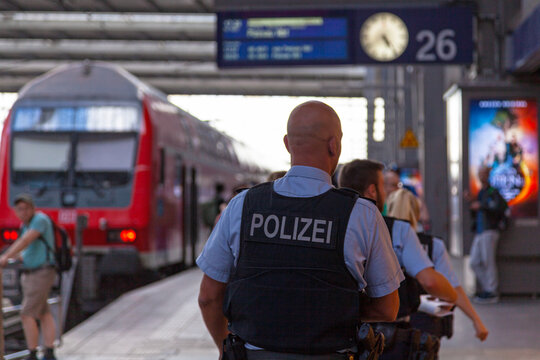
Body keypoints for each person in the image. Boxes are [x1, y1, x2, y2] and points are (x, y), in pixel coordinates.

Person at [197, 101, 404, 359]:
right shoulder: (362, 214)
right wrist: (331, 308)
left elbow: (208, 297)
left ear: (287, 143)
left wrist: (224, 348)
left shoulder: (242, 206)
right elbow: (388, 308)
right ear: (334, 145)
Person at [339, 159, 457, 360]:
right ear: (372, 191)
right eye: (383, 186)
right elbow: (429, 280)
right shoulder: (399, 229)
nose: (387, 193)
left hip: (342, 336)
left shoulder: (334, 222)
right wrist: (452, 296)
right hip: (391, 338)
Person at [386, 188, 489, 342]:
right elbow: (453, 287)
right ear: (417, 212)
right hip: (426, 328)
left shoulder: (379, 241)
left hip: (387, 328)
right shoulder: (433, 245)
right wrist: (476, 320)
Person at [0, 194, 57, 360]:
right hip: (34, 271)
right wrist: (17, 256)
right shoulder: (26, 224)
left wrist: (6, 256)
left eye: (25, 208)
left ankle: (32, 353)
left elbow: (25, 241)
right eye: (19, 209)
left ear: (33, 208)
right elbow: (28, 249)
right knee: (43, 312)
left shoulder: (39, 220)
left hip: (41, 272)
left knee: (26, 313)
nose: (22, 212)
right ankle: (49, 350)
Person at [467, 165, 508, 303]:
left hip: (490, 229)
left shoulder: (492, 191)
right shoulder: (481, 192)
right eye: (479, 174)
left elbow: (498, 207)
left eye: (483, 174)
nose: (481, 176)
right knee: (474, 262)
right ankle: (487, 289)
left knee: (488, 261)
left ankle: (492, 291)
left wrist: (481, 206)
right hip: (480, 230)